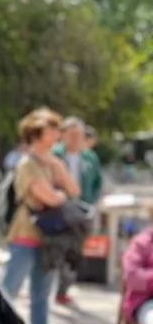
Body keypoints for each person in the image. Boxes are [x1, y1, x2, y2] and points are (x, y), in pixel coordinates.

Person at [1, 107, 79, 324]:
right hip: (26, 234)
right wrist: (59, 195)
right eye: (52, 128)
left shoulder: (51, 162)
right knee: (9, 289)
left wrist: (57, 165)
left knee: (41, 293)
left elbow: (74, 191)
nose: (57, 133)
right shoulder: (27, 164)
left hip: (48, 238)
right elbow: (51, 197)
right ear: (38, 131)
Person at [51, 116, 103, 305]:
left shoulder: (89, 157)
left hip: (81, 210)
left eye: (79, 135)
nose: (75, 139)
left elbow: (98, 182)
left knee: (75, 252)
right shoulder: (54, 155)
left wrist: (92, 201)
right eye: (71, 134)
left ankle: (63, 289)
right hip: (58, 209)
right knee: (57, 248)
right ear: (63, 135)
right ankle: (53, 286)